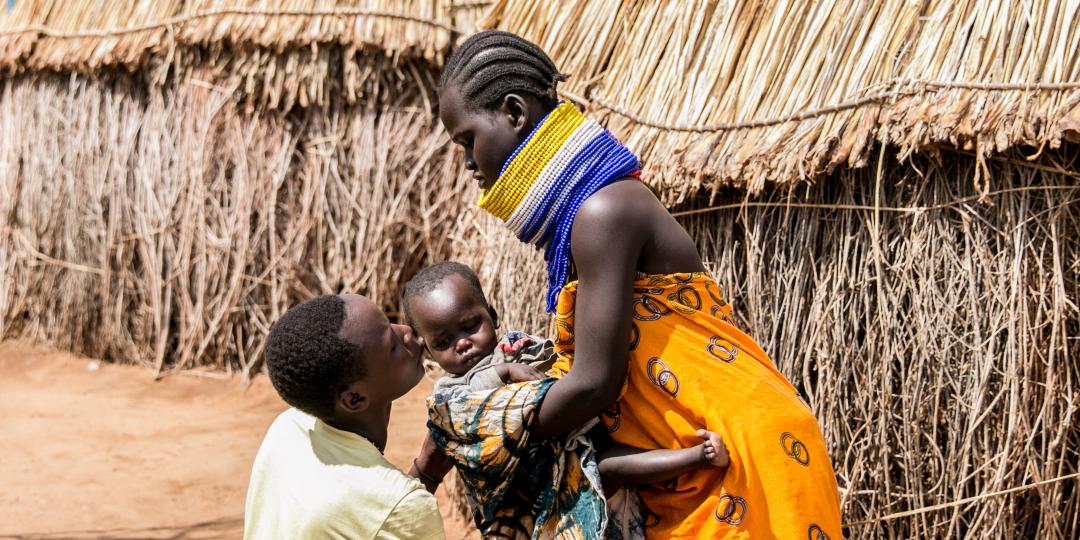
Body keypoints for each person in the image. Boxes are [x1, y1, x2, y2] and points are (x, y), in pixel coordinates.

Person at [428, 29, 844, 539]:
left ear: (514, 112)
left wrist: (478, 423)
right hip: (701, 458)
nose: (469, 164)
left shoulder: (602, 213)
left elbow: (593, 384)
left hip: (740, 459)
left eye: (467, 140)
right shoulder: (586, 217)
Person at [403, 261, 728, 538]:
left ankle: (696, 456)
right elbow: (463, 410)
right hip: (525, 503)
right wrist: (502, 373)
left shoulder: (518, 346)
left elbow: (559, 369)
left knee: (616, 466)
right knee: (610, 467)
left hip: (580, 465)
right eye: (443, 342)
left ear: (493, 315)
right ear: (428, 351)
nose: (462, 343)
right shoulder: (448, 393)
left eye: (470, 326)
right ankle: (695, 456)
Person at [244, 294, 445, 540]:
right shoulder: (403, 506)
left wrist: (426, 470)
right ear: (355, 399)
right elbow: (388, 511)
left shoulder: (287, 430)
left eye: (390, 322)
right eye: (392, 346)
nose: (405, 331)